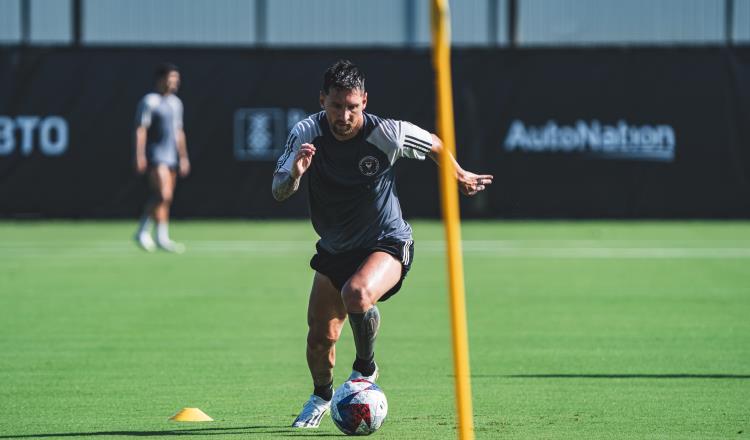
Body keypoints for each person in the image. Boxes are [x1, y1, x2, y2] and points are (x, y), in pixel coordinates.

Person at [272, 60, 493, 429]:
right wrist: (294, 175)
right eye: (336, 106)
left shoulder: (387, 133)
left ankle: (365, 369)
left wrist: (460, 175)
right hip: (334, 249)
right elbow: (278, 191)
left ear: (365, 102)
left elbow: (435, 143)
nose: (344, 115)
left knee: (357, 294)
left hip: (386, 241)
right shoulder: (306, 132)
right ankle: (322, 396)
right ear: (322, 100)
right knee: (319, 339)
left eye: (352, 107)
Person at [133, 62, 190, 253]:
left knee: (167, 198)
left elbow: (179, 131)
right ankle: (142, 231)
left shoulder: (176, 103)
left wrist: (183, 157)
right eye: (170, 78)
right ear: (160, 79)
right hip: (155, 155)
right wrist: (139, 155)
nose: (174, 82)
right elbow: (141, 130)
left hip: (171, 156)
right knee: (162, 194)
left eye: (176, 79)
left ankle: (162, 237)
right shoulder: (149, 101)